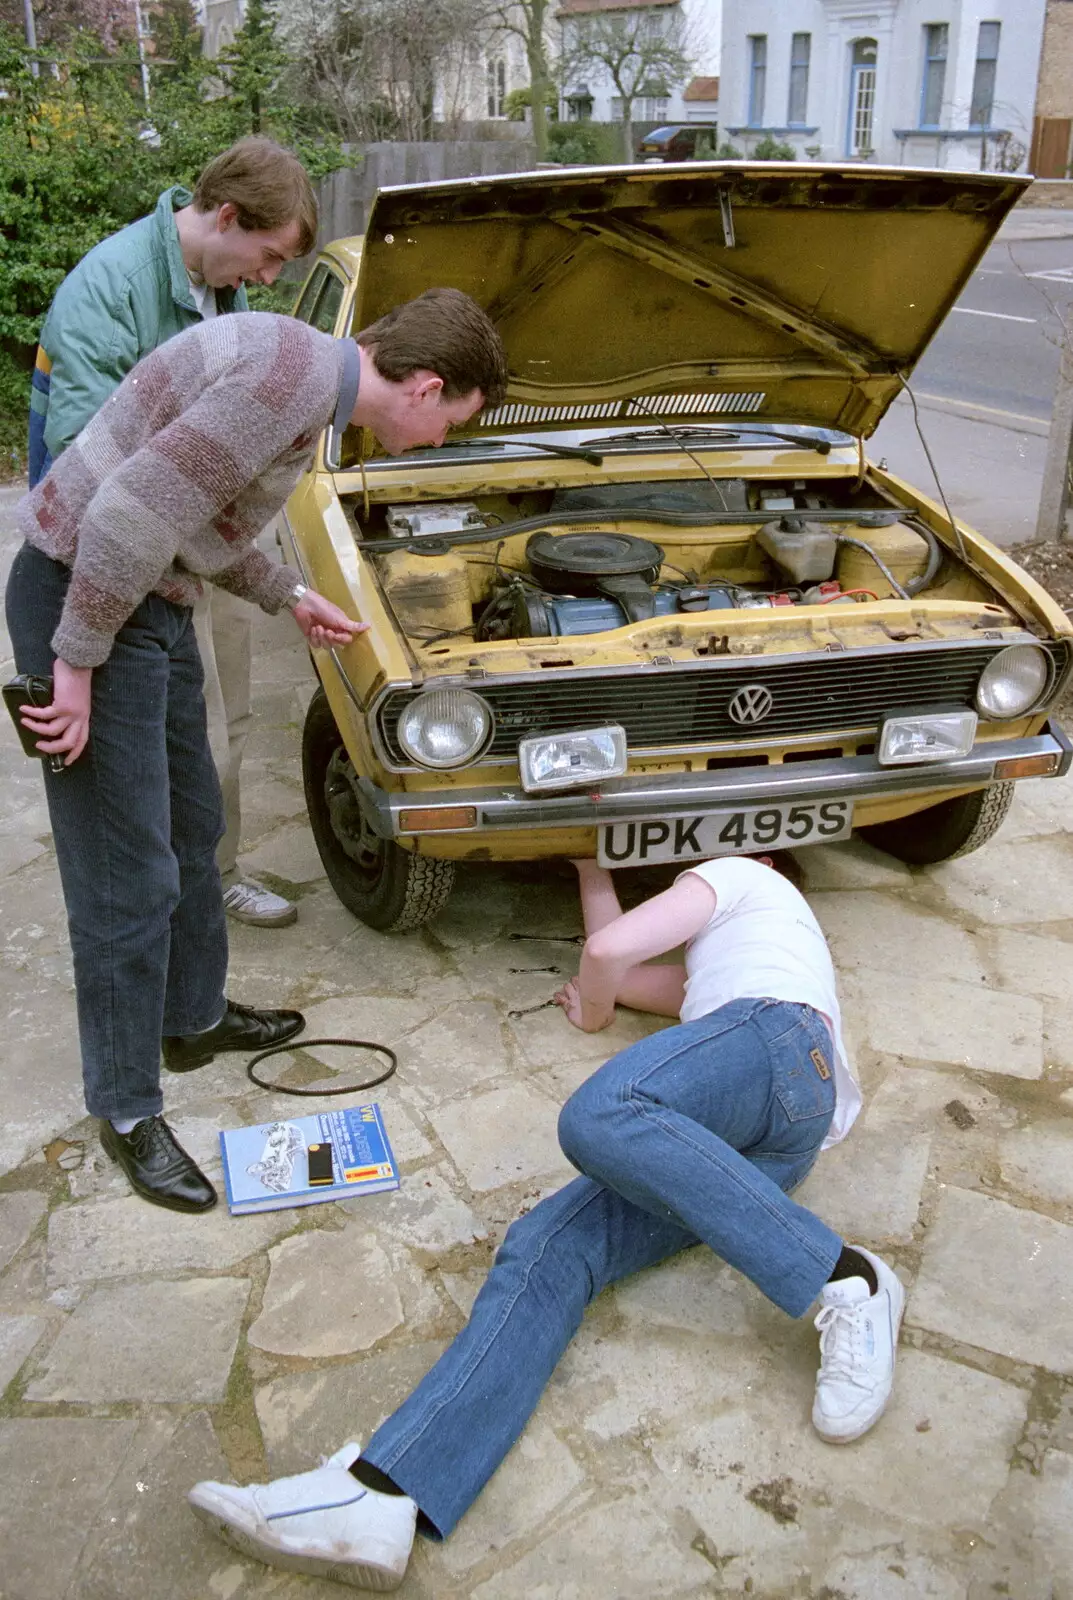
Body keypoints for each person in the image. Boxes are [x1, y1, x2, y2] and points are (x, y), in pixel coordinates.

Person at [187, 853, 905, 1589]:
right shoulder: (719, 975)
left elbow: (605, 956)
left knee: (602, 1113)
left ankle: (847, 1277)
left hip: (780, 1047)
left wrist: (593, 1012)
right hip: (764, 1145)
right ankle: (384, 1492)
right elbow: (624, 968)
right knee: (547, 1248)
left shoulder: (743, 877)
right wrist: (590, 872)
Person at [7, 289, 508, 1216]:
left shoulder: (303, 377)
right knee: (127, 877)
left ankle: (190, 1020)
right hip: (84, 598)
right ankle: (125, 1109)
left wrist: (285, 592)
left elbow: (189, 523)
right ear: (427, 385)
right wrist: (71, 668)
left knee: (194, 824)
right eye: (450, 423)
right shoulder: (289, 384)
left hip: (145, 602)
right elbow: (123, 517)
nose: (437, 444)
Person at [28, 136, 318, 928]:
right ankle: (155, 899)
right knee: (153, 735)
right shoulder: (108, 284)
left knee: (225, 720)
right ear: (225, 216)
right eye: (266, 257)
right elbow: (84, 450)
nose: (267, 279)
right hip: (123, 552)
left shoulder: (224, 288)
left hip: (201, 542)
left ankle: (211, 877)